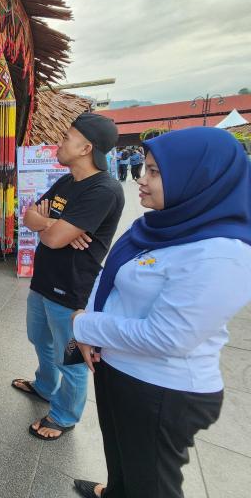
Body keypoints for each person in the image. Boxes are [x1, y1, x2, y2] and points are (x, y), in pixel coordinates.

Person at [71, 127, 251, 498]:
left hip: (161, 388)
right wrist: (88, 332)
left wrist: (86, 325)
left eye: (154, 172)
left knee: (151, 483)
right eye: (145, 168)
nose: (141, 177)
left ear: (197, 177)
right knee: (122, 458)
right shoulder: (158, 225)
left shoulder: (221, 253)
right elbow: (110, 275)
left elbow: (167, 336)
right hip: (118, 368)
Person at [12, 113, 124, 440]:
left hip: (72, 292)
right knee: (40, 339)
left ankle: (64, 416)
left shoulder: (104, 190)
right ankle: (46, 386)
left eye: (67, 137)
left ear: (86, 147)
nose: (60, 142)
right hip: (44, 282)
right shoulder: (66, 181)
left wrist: (52, 228)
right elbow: (29, 215)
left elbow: (51, 238)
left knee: (71, 359)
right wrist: (53, 225)